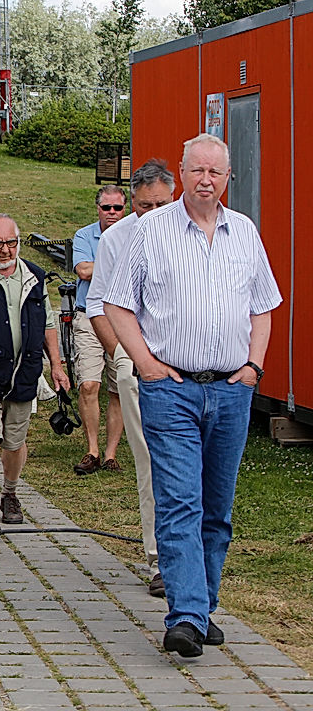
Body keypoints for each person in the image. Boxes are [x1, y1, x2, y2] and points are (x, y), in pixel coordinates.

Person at [104, 133, 281, 658]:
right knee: (181, 501)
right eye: (197, 170)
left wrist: (254, 366)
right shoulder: (151, 231)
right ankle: (184, 616)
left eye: (216, 173)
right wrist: (147, 365)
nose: (207, 180)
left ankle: (201, 606)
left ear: (229, 178)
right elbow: (117, 304)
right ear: (182, 173)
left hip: (231, 390)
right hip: (172, 389)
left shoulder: (243, 233)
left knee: (217, 508)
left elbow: (263, 306)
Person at [84, 159, 176, 597]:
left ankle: (193, 550)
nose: (152, 212)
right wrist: (122, 355)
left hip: (190, 364)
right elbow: (97, 304)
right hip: (136, 363)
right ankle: (161, 557)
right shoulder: (116, 239)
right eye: (143, 206)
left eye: (160, 203)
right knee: (152, 461)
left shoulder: (192, 233)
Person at [0, 214, 70, 540]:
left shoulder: (35, 277)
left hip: (24, 372)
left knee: (14, 442)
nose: (5, 250)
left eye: (11, 243)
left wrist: (57, 365)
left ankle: (9, 492)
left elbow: (49, 324)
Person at [71, 184, 129, 475]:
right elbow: (82, 270)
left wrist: (100, 266)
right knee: (89, 384)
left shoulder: (134, 232)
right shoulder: (84, 235)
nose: (112, 213)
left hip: (121, 319)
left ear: (125, 208)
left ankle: (111, 454)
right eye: (106, 208)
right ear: (98, 209)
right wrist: (117, 262)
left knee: (118, 388)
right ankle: (92, 450)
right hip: (87, 316)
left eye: (117, 208)